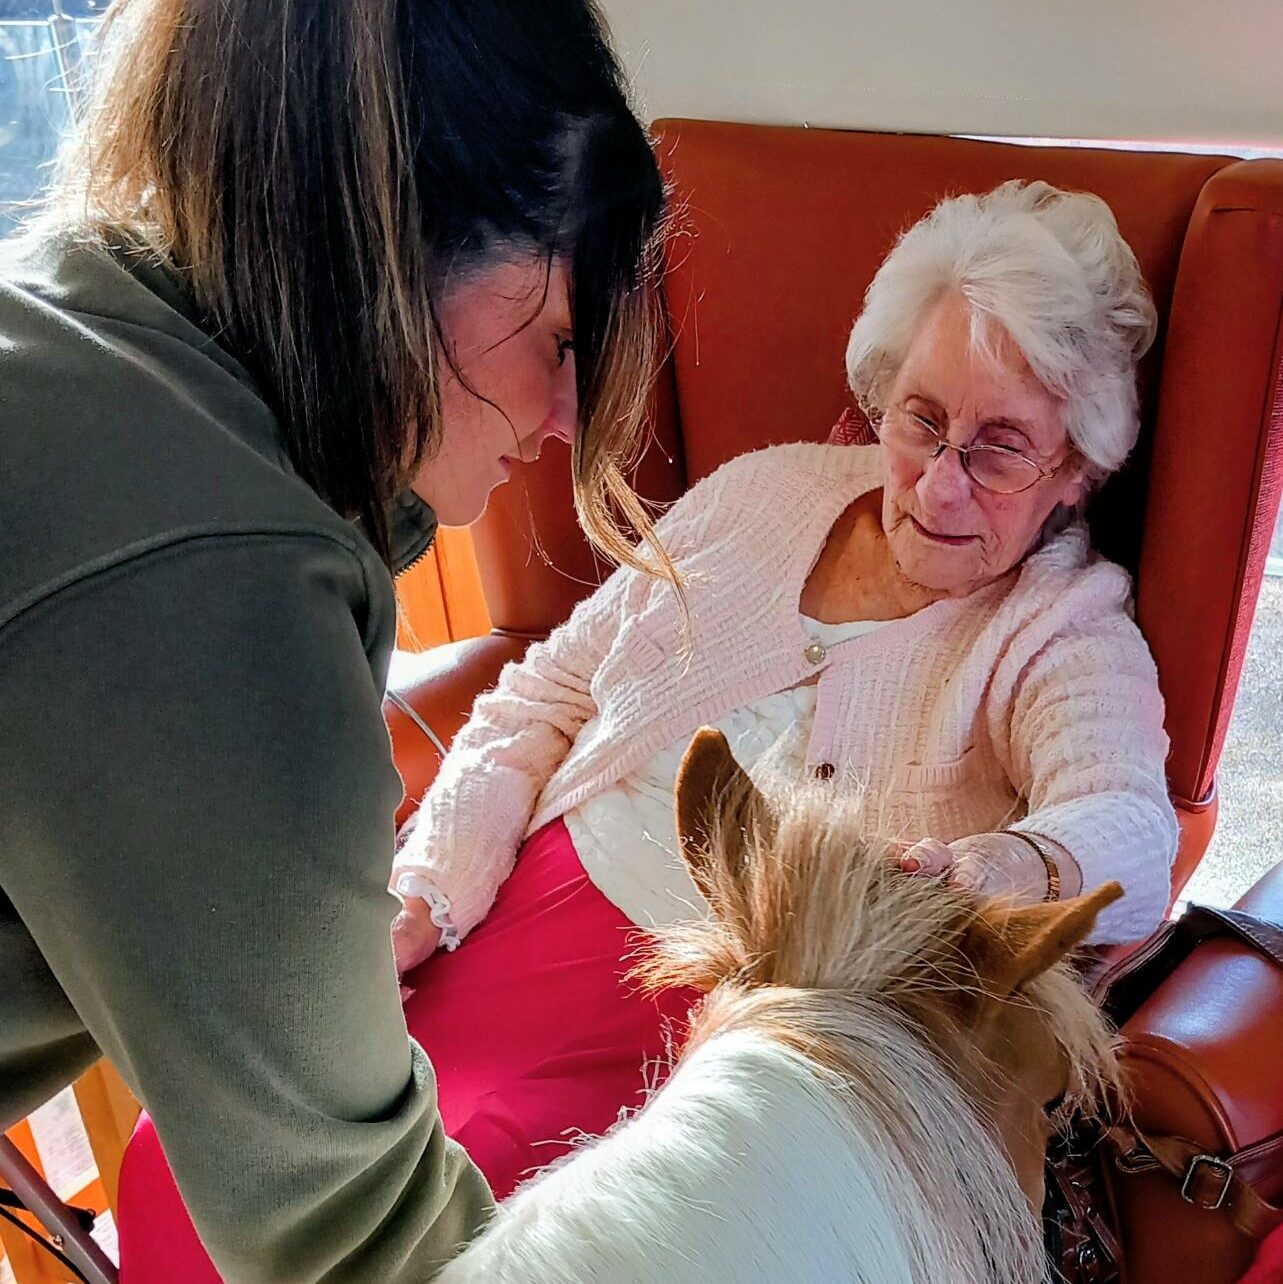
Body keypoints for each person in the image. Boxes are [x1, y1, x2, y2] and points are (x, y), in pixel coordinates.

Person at [0, 1, 671, 1280]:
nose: (568, 415)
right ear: (387, 252)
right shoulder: (206, 581)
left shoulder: (78, 334)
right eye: (560, 341)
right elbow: (357, 1237)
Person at [387, 179, 1180, 1196]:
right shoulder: (758, 493)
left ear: (1076, 468)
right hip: (517, 921)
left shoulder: (1061, 628)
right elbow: (541, 700)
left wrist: (992, 870)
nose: (940, 484)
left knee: (456, 1207)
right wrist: (430, 893)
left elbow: (1131, 829)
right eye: (921, 421)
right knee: (261, 1144)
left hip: (742, 1032)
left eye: (999, 450)